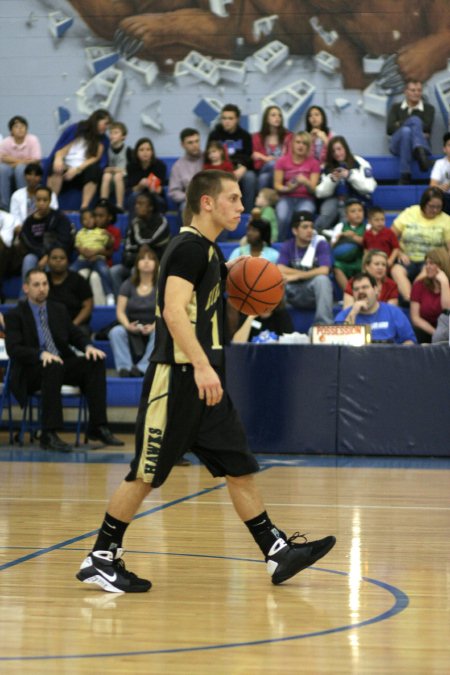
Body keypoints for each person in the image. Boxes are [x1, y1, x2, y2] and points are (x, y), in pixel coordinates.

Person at [76, 169, 336, 593]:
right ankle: (101, 557)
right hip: (177, 378)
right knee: (144, 474)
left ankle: (276, 552)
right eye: (233, 198)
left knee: (240, 466)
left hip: (204, 381)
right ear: (207, 203)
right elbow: (174, 312)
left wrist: (241, 283)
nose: (242, 206)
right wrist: (200, 365)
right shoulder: (188, 249)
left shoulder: (209, 254)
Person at [4, 268, 124, 453]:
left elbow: (75, 334)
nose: (42, 288)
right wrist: (40, 354)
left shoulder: (57, 309)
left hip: (59, 363)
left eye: (45, 284)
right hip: (31, 370)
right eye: (36, 285)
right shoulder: (15, 314)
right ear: (26, 288)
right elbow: (14, 349)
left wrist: (88, 347)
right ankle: (49, 433)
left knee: (94, 362)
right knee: (52, 365)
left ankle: (98, 426)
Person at [390, 187, 450, 302]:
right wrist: (399, 252)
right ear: (424, 203)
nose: (435, 210)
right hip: (407, 258)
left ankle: (414, 300)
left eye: (438, 207)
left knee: (426, 271)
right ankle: (410, 299)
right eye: (431, 206)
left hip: (431, 260)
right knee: (396, 270)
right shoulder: (410, 212)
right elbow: (390, 236)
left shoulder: (446, 220)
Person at [46, 109, 111, 209]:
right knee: (56, 167)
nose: (106, 127)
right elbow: (62, 150)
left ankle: (84, 207)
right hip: (66, 168)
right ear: (97, 120)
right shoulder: (77, 129)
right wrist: (58, 159)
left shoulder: (103, 139)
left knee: (94, 170)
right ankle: (51, 205)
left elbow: (95, 158)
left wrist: (77, 169)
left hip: (83, 171)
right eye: (105, 123)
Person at [277, 210, 334, 325]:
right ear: (295, 231)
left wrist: (297, 276)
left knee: (322, 280)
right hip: (293, 292)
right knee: (278, 280)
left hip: (312, 292)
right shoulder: (288, 245)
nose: (309, 230)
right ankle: (278, 325)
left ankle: (323, 326)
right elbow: (279, 268)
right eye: (305, 227)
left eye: (311, 227)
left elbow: (324, 270)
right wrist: (297, 275)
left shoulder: (320, 244)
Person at [110, 189, 170, 296]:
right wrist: (139, 256)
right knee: (115, 271)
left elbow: (151, 243)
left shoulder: (162, 222)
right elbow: (127, 250)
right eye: (136, 204)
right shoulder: (134, 223)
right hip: (135, 262)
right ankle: (120, 301)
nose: (137, 206)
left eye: (141, 204)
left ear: (150, 207)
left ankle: (138, 302)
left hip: (156, 265)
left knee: (137, 270)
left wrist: (142, 252)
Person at [109, 245, 158, 377]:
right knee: (116, 332)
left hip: (154, 326)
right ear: (137, 264)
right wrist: (127, 326)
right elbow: (120, 311)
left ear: (156, 264)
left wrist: (154, 326)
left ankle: (142, 368)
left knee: (161, 331)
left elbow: (165, 311)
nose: (146, 261)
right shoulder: (128, 285)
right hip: (133, 326)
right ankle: (125, 368)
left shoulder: (161, 285)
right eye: (142, 259)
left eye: (150, 259)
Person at [315, 136, 376, 233]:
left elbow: (369, 187)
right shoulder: (327, 166)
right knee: (324, 216)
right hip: (334, 200)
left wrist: (350, 175)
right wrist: (332, 180)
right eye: (333, 151)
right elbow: (319, 193)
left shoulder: (360, 162)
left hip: (355, 199)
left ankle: (337, 235)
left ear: (345, 148)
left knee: (347, 213)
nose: (337, 153)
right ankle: (317, 234)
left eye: (339, 149)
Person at [334, 272, 417, 344]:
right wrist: (353, 313)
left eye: (365, 287)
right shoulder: (345, 315)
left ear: (376, 290)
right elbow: (339, 343)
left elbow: (410, 340)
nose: (360, 291)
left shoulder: (394, 312)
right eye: (356, 289)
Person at [207, 104, 256, 212]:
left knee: (250, 177)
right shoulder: (214, 135)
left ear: (237, 119)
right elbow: (209, 155)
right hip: (220, 168)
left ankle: (247, 214)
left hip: (239, 168)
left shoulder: (245, 135)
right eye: (224, 118)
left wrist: (243, 168)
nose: (227, 121)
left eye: (230, 118)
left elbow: (249, 156)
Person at [19, 186, 74, 281]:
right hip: (36, 254)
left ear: (50, 201)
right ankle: (26, 293)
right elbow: (27, 243)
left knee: (52, 261)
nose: (41, 203)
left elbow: (64, 240)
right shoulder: (29, 221)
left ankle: (51, 294)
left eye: (45, 200)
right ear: (34, 201)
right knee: (28, 259)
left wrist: (48, 255)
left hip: (55, 253)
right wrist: (42, 255)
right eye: (38, 200)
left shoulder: (59, 218)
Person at [274, 131, 320, 240]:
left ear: (308, 147)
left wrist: (305, 182)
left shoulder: (314, 163)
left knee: (303, 219)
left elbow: (313, 189)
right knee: (282, 216)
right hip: (286, 197)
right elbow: (277, 186)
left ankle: (302, 247)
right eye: (298, 142)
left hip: (306, 198)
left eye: (304, 143)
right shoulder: (282, 161)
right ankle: (280, 243)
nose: (300, 146)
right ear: (292, 144)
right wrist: (288, 188)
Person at [387, 80, 435, 184]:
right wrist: (415, 127)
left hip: (407, 140)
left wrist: (399, 123)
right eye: (413, 90)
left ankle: (405, 175)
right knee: (415, 121)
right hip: (397, 146)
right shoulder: (396, 108)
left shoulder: (429, 109)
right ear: (406, 92)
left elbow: (427, 128)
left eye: (419, 90)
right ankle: (420, 152)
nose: (416, 93)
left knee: (406, 131)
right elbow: (390, 129)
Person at [70, 207, 115, 306]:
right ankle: (70, 294)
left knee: (104, 271)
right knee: (71, 270)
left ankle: (109, 294)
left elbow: (109, 245)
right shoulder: (80, 233)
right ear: (81, 222)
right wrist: (83, 252)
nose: (88, 220)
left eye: (91, 217)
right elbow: (77, 246)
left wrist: (110, 237)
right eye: (85, 219)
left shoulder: (101, 231)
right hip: (83, 259)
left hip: (97, 259)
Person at [47, 245, 94, 338]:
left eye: (62, 258)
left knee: (82, 333)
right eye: (54, 258)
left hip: (76, 324)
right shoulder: (42, 280)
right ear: (48, 261)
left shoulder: (78, 280)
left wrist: (72, 326)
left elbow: (88, 306)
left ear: (68, 261)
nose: (58, 260)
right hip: (48, 326)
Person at [0, 115, 42, 211]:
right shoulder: (6, 142)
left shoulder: (32, 139)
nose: (20, 129)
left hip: (30, 169)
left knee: (20, 168)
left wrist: (14, 161)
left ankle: (24, 203)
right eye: (16, 127)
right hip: (9, 170)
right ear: (11, 131)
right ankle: (4, 206)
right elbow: (2, 158)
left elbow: (36, 159)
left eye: (22, 126)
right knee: (1, 169)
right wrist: (22, 161)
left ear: (26, 129)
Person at [410, 247, 450, 343]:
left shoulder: (446, 283)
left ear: (441, 265)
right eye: (426, 263)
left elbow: (447, 311)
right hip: (426, 331)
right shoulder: (419, 285)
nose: (427, 267)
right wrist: (436, 333)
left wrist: (444, 283)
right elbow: (415, 318)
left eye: (431, 263)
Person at [327, 198, 366, 292]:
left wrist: (353, 236)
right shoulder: (340, 226)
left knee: (368, 265)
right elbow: (332, 247)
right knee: (336, 266)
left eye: (360, 210)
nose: (357, 214)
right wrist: (338, 239)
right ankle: (349, 293)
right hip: (343, 262)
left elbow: (368, 244)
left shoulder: (367, 227)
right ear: (347, 216)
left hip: (360, 259)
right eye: (353, 211)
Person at [252, 105, 292, 190]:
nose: (277, 117)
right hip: (264, 168)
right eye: (273, 115)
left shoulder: (288, 136)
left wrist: (278, 161)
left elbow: (291, 156)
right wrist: (265, 159)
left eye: (279, 115)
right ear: (266, 119)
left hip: (283, 171)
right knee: (271, 164)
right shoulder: (257, 137)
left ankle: (263, 202)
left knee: (264, 178)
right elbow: (254, 155)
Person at [9, 162, 58, 226]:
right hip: (23, 229)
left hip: (45, 227)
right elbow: (14, 216)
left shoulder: (50, 194)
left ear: (41, 178)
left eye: (36, 175)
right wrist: (19, 227)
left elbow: (53, 213)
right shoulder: (16, 195)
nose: (32, 178)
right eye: (29, 174)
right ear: (24, 176)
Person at [126, 137, 166, 213]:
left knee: (157, 200)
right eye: (141, 150)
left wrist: (153, 187)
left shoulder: (160, 165)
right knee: (133, 197)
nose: (145, 152)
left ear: (152, 152)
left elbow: (162, 189)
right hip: (138, 194)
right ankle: (133, 224)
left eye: (148, 149)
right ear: (136, 152)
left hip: (154, 195)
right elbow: (129, 190)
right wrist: (140, 186)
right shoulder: (131, 166)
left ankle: (158, 224)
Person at [168, 128, 203, 214]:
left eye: (197, 141)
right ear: (182, 145)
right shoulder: (178, 166)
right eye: (190, 142)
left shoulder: (209, 158)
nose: (195, 145)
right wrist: (188, 197)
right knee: (185, 207)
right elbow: (173, 191)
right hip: (191, 201)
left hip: (211, 199)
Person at [100, 121, 130, 211]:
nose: (112, 135)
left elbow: (130, 169)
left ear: (123, 136)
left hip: (123, 178)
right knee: (106, 176)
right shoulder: (106, 150)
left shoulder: (128, 150)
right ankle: (103, 203)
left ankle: (119, 205)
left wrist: (120, 170)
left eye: (116, 133)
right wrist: (109, 169)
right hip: (110, 177)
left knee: (118, 176)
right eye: (111, 133)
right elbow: (104, 167)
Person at [430, 132, 450, 214]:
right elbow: (432, 185)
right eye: (449, 145)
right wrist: (440, 187)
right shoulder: (439, 163)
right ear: (444, 149)